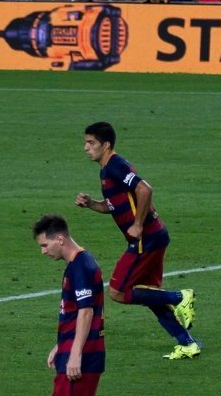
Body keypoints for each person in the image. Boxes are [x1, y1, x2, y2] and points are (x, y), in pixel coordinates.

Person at [75, 122, 200, 361]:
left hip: (146, 238)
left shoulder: (116, 166)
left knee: (117, 292)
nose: (86, 148)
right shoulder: (106, 170)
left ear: (106, 145)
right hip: (154, 236)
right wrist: (91, 204)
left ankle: (180, 297)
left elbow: (145, 189)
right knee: (148, 294)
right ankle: (187, 343)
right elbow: (113, 205)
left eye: (91, 143)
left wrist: (138, 224)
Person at [32, 213, 133, 396]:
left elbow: (87, 312)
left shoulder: (82, 266)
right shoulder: (77, 264)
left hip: (84, 352)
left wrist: (75, 354)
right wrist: (61, 345)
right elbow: (74, 312)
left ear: (59, 239)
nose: (43, 252)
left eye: (45, 245)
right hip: (73, 346)